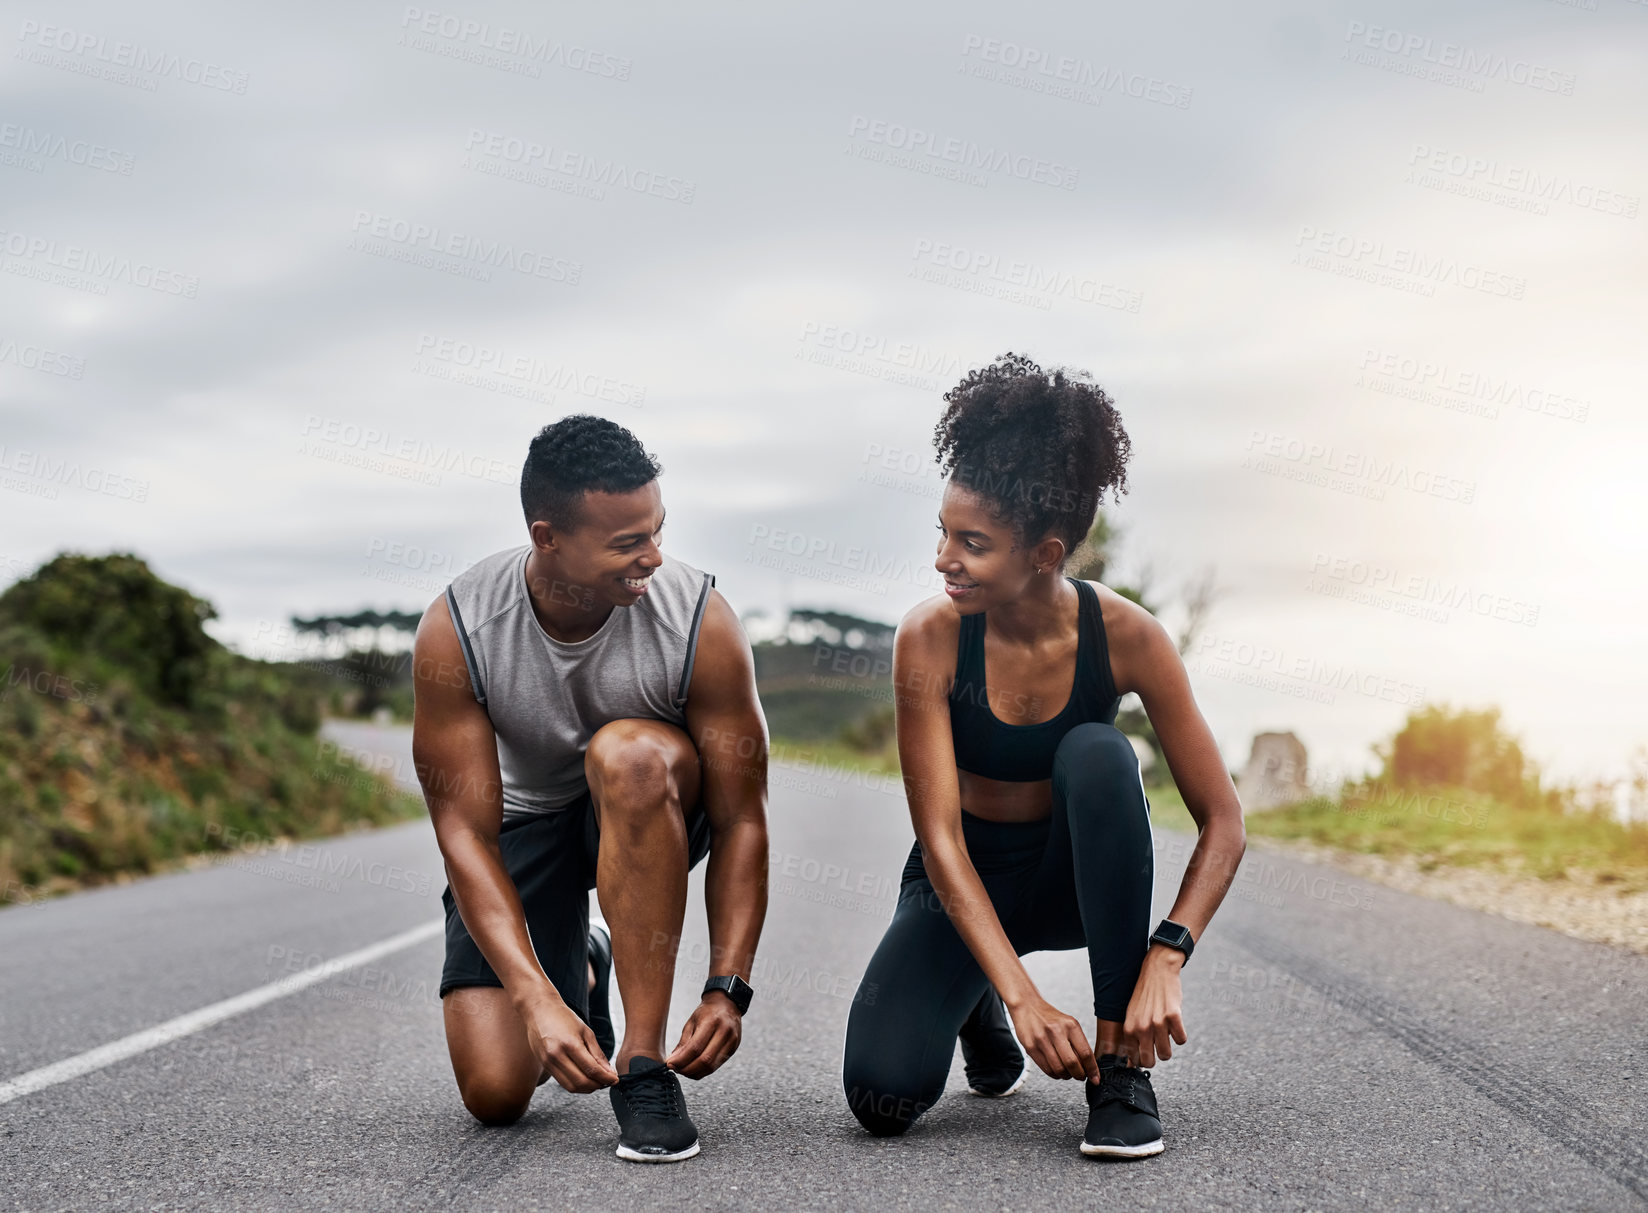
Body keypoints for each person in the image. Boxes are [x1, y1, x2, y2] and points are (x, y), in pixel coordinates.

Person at [841, 353, 1247, 1158]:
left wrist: (1168, 953)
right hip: (962, 880)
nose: (943, 560)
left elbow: (1224, 822)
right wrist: (1023, 998)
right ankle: (980, 1003)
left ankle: (1120, 1068)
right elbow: (942, 841)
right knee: (879, 1097)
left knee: (1100, 754)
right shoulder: (929, 637)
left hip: (1070, 879)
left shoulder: (1128, 636)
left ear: (1044, 553)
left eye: (973, 543)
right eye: (943, 533)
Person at [412, 415, 770, 1162]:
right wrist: (537, 996)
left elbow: (741, 820)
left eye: (657, 530)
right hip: (525, 822)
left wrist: (727, 986)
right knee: (496, 1091)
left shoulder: (698, 620)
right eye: (627, 543)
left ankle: (641, 1066)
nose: (654, 556)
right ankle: (583, 964)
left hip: (649, 803)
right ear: (548, 538)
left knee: (629, 753)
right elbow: (464, 836)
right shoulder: (460, 629)